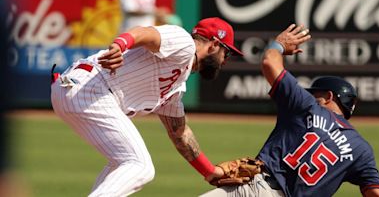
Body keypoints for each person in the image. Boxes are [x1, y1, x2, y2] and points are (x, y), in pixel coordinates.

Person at [50, 17, 241, 196]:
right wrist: (120, 44)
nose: (226, 60)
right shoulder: (184, 43)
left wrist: (210, 171)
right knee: (140, 165)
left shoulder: (176, 85)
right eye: (227, 52)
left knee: (122, 164)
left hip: (81, 90)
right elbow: (145, 33)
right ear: (215, 45)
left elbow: (180, 134)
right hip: (91, 87)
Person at [201, 24, 379, 197]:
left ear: (330, 97)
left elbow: (269, 63)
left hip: (261, 190)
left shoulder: (307, 106)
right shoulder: (361, 149)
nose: (312, 96)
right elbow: (376, 193)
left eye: (316, 94)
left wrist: (279, 44)